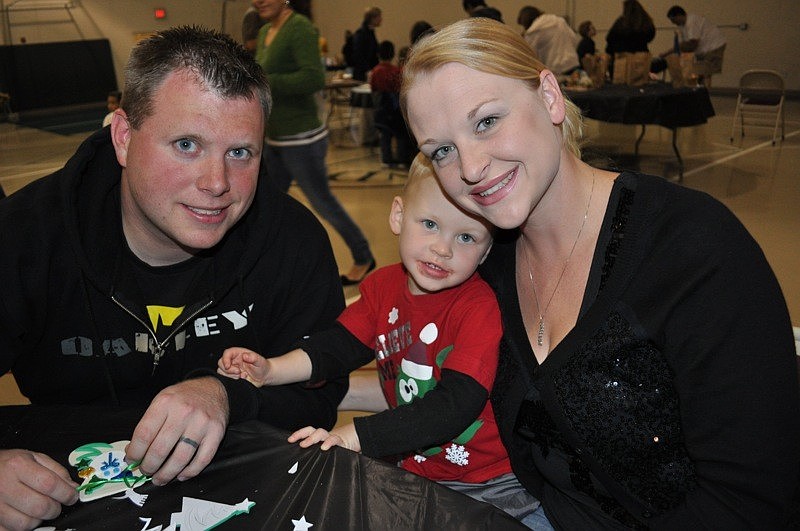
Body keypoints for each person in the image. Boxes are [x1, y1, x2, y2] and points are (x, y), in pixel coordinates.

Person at [401, 17, 800, 529]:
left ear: (548, 96)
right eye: (442, 150)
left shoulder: (690, 249)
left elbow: (750, 500)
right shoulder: (487, 263)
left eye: (486, 122)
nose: (472, 168)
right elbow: (432, 373)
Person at [0, 26, 348, 530]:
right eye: (186, 144)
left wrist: (225, 394)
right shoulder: (27, 235)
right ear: (123, 137)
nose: (216, 183)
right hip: (61, 493)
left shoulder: (292, 242)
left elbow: (319, 393)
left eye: (240, 152)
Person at [218, 153, 541, 520]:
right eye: (430, 224)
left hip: (489, 482)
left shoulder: (478, 308)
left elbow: (453, 407)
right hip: (413, 469)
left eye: (466, 237)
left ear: (485, 252)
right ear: (399, 216)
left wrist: (354, 437)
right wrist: (271, 370)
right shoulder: (381, 287)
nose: (443, 248)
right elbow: (335, 348)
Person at [253, 0, 375, 285]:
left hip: (302, 139)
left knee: (322, 202)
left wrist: (266, 80)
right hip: (275, 137)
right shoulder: (264, 32)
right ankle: (268, 265)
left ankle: (363, 255)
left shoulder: (300, 28)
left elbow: (313, 78)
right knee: (268, 204)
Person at [370, 40, 413, 169]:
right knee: (400, 135)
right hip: (394, 110)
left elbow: (373, 89)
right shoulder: (396, 71)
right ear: (393, 54)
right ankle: (402, 157)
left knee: (385, 135)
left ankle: (386, 158)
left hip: (380, 109)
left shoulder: (375, 72)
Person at [660, 5, 726, 84]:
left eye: (673, 20)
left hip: (713, 46)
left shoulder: (691, 22)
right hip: (704, 49)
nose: (673, 23)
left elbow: (692, 44)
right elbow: (684, 45)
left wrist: (668, 52)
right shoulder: (682, 26)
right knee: (701, 72)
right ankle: (702, 90)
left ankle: (706, 92)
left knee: (706, 72)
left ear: (679, 16)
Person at [518, 6, 579, 76]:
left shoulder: (534, 30)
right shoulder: (558, 20)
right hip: (572, 63)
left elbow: (529, 54)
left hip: (556, 69)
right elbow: (573, 38)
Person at [350, 6, 382, 81]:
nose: (381, 19)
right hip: (363, 73)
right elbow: (359, 55)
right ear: (372, 18)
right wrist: (367, 70)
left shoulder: (370, 32)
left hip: (368, 71)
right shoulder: (361, 34)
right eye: (379, 16)